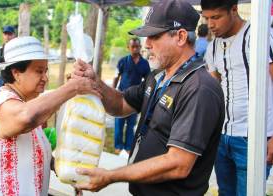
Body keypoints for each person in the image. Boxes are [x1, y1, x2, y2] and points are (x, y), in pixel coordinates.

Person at [72, 1, 225, 195]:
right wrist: (95, 82)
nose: (147, 44)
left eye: (154, 36)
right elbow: (120, 104)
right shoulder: (158, 75)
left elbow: (178, 163)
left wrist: (111, 176)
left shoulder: (199, 88)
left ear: (180, 36)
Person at [0, 36, 99, 195]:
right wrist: (72, 88)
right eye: (39, 71)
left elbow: (32, 153)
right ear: (16, 73)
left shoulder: (26, 104)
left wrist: (67, 168)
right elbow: (26, 117)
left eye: (46, 71)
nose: (45, 77)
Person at [201, 0, 273, 195]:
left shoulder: (259, 36)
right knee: (225, 192)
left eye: (216, 17)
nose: (210, 25)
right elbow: (213, 90)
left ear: (234, 9)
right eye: (206, 18)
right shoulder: (213, 47)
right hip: (222, 137)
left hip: (254, 138)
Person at [112, 38, 150, 154]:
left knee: (131, 125)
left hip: (135, 99)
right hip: (121, 96)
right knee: (119, 123)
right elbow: (116, 76)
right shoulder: (123, 61)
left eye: (137, 47)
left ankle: (128, 146)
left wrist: (144, 97)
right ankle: (118, 145)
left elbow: (148, 80)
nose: (135, 49)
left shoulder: (144, 64)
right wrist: (113, 91)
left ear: (140, 47)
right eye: (133, 46)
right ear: (128, 47)